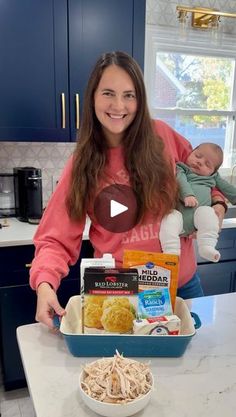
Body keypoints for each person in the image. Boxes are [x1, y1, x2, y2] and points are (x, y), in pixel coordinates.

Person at [29, 51, 226, 329]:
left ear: (140, 100)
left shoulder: (163, 136)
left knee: (195, 369)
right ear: (93, 97)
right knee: (124, 372)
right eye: (108, 93)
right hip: (119, 295)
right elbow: (55, 238)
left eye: (129, 95)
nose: (118, 105)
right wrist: (45, 284)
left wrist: (218, 205)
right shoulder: (82, 164)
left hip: (182, 288)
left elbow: (207, 175)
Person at [159, 143, 236, 263]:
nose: (200, 162)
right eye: (198, 156)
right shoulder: (182, 168)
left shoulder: (213, 178)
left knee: (207, 212)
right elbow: (181, 181)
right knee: (170, 217)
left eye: (207, 164)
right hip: (179, 216)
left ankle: (207, 246)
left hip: (199, 219)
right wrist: (188, 195)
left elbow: (227, 188)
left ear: (213, 172)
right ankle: (171, 252)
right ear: (191, 152)